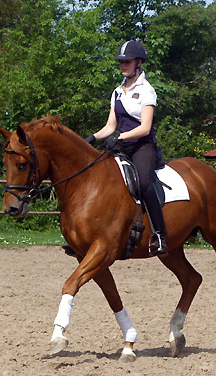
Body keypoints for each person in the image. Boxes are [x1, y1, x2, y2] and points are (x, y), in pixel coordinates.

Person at [85, 40, 167, 256]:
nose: (123, 65)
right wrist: (92, 138)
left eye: (127, 62)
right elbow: (110, 126)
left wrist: (120, 137)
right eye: (121, 62)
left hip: (143, 146)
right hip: (122, 145)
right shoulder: (117, 91)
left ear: (138, 63)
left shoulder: (146, 90)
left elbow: (145, 127)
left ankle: (159, 234)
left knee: (143, 181)